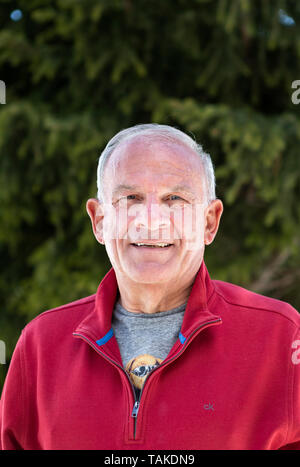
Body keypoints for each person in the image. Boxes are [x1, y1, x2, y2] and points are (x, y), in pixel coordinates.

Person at [1, 123, 300, 450]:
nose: (151, 219)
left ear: (209, 222)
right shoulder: (41, 345)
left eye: (175, 198)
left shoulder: (281, 337)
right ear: (99, 221)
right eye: (130, 198)